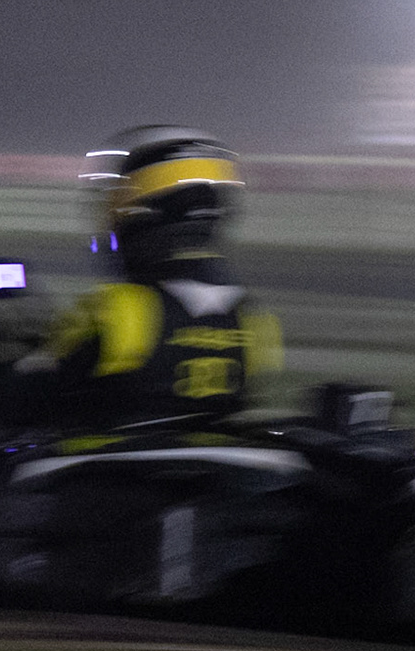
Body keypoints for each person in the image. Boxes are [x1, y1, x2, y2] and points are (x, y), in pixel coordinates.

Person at [28, 125, 282, 431]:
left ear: (141, 213)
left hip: (114, 458)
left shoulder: (117, 308)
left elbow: (33, 389)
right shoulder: (252, 318)